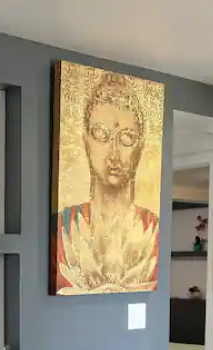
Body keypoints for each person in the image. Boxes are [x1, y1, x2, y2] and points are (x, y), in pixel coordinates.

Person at [55, 72, 159, 294]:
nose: (113, 154)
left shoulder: (156, 230)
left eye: (127, 138)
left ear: (140, 147)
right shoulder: (60, 227)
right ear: (86, 141)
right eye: (101, 135)